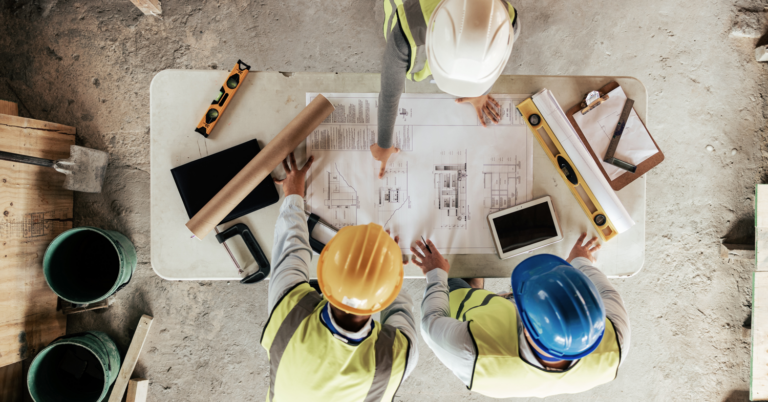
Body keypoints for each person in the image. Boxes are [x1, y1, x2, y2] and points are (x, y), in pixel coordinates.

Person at [261, 152, 419, 401]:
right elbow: (398, 308)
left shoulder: (289, 313)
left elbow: (291, 247)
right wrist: (385, 265)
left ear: (324, 272)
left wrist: (293, 194)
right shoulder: (394, 359)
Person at [413, 234, 630, 398]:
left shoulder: (471, 351)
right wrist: (580, 262)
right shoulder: (617, 341)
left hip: (472, 318)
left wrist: (436, 273)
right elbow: (608, 293)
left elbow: (431, 320)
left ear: (525, 325)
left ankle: (472, 290)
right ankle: (476, 287)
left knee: (457, 283)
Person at [372, 0, 521, 178]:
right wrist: (384, 143)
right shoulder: (405, 33)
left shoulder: (506, 25)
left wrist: (480, 92)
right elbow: (389, 94)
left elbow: (492, 62)